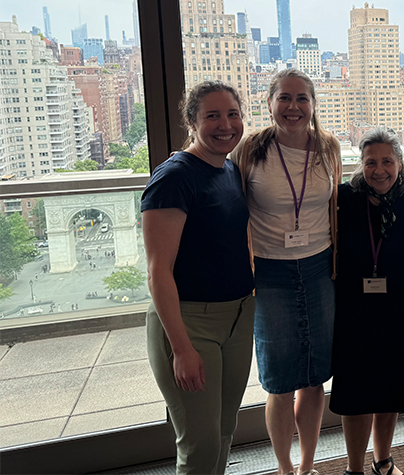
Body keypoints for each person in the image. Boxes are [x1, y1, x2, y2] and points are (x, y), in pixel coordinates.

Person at [141, 80, 255, 475]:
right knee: (199, 443)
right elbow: (158, 272)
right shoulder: (173, 178)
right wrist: (182, 348)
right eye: (212, 116)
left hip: (238, 317)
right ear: (191, 122)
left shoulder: (230, 169)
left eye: (232, 114)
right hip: (190, 324)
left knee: (223, 430)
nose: (225, 125)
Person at [232, 68, 342, 475]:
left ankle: (308, 465)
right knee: (278, 381)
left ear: (313, 105)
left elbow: (336, 204)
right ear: (270, 102)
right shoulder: (249, 150)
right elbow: (223, 190)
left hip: (318, 269)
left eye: (302, 99)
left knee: (314, 378)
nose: (293, 107)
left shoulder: (328, 148)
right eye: (285, 98)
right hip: (270, 273)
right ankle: (283, 467)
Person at [329, 127, 404, 475]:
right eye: (371, 162)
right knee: (356, 394)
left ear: (400, 162)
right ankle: (354, 468)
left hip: (402, 311)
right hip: (354, 312)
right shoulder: (343, 199)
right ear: (359, 164)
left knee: (390, 391)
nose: (380, 170)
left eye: (387, 161)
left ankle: (383, 460)